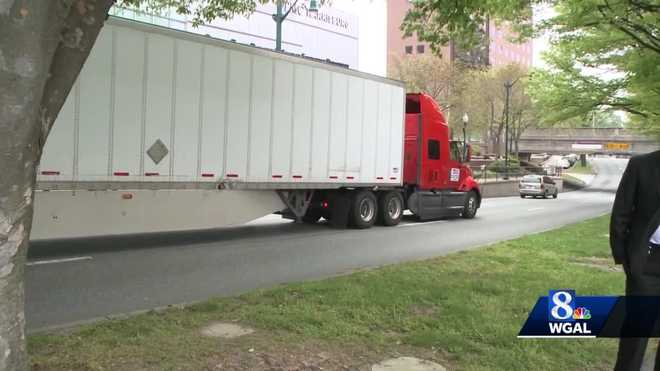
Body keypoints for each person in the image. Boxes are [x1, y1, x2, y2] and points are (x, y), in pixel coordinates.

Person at [610, 150, 660, 370]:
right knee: (636, 335)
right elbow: (621, 212)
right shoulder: (641, 165)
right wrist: (624, 257)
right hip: (646, 261)